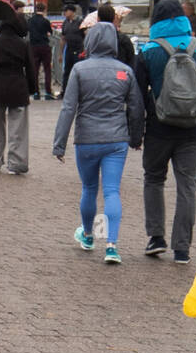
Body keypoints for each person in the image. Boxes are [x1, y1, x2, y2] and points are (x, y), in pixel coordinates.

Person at [52, 21, 145, 265]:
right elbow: (136, 107)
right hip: (116, 140)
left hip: (87, 139)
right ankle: (112, 246)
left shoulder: (80, 70)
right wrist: (136, 137)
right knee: (112, 190)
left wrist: (59, 144)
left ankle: (89, 235)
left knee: (89, 189)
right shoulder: (125, 71)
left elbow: (69, 108)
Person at [135, 0, 196, 264]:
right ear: (182, 18)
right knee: (187, 187)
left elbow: (136, 96)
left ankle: (156, 237)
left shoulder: (148, 50)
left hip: (159, 127)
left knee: (154, 179)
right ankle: (182, 248)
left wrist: (136, 132)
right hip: (193, 129)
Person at [0, 10, 36, 173]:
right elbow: (31, 69)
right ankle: (16, 163)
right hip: (18, 88)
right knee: (18, 129)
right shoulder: (23, 44)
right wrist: (31, 89)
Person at [27, 2, 55, 99]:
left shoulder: (30, 21)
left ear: (36, 9)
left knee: (35, 69)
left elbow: (28, 31)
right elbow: (50, 32)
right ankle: (48, 92)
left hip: (33, 46)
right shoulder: (45, 21)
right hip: (44, 46)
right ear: (44, 10)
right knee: (47, 69)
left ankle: (36, 92)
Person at [96, 2, 135, 69]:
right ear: (114, 18)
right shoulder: (123, 38)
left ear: (98, 19)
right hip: (119, 74)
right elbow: (131, 59)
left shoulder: (93, 39)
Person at [60, 5, 85, 95]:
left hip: (78, 50)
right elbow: (63, 38)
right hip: (69, 49)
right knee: (67, 71)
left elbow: (85, 35)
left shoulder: (79, 22)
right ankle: (64, 91)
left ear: (72, 12)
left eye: (66, 11)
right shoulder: (65, 23)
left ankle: (79, 91)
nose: (65, 13)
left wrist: (85, 49)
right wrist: (61, 53)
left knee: (78, 71)